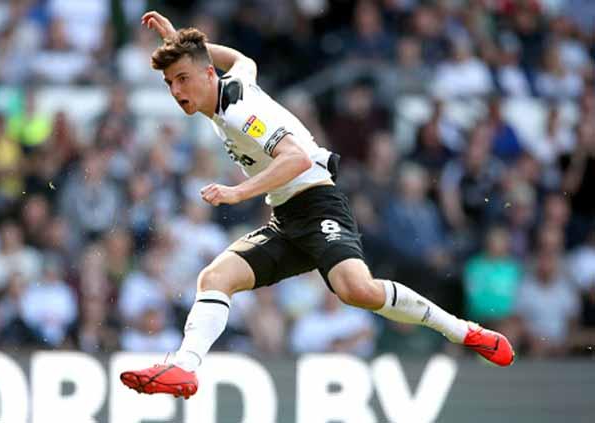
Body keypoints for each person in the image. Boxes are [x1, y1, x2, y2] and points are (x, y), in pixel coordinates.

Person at [120, 11, 515, 400]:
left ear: (208, 75)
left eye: (183, 79)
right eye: (170, 82)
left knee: (356, 290)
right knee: (214, 278)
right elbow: (243, 61)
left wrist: (238, 193)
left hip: (319, 206)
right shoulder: (228, 91)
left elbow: (296, 159)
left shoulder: (240, 112)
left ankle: (462, 331)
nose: (175, 91)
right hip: (287, 217)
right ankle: (185, 368)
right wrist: (185, 46)